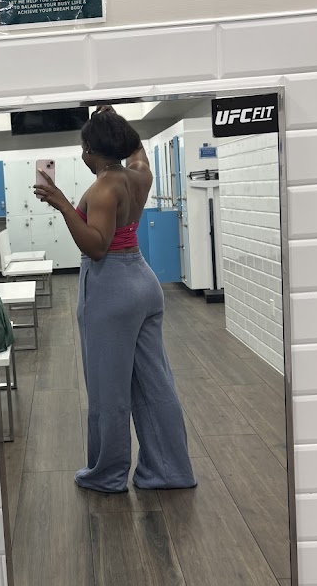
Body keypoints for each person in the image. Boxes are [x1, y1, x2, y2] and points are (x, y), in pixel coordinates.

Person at [33, 106, 196, 493]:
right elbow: (137, 148)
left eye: (83, 148)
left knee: (108, 389)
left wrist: (62, 204)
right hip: (143, 280)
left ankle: (106, 474)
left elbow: (96, 246)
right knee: (156, 383)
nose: (82, 154)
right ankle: (169, 471)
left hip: (111, 288)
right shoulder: (139, 173)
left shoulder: (105, 187)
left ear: (91, 149)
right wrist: (114, 119)